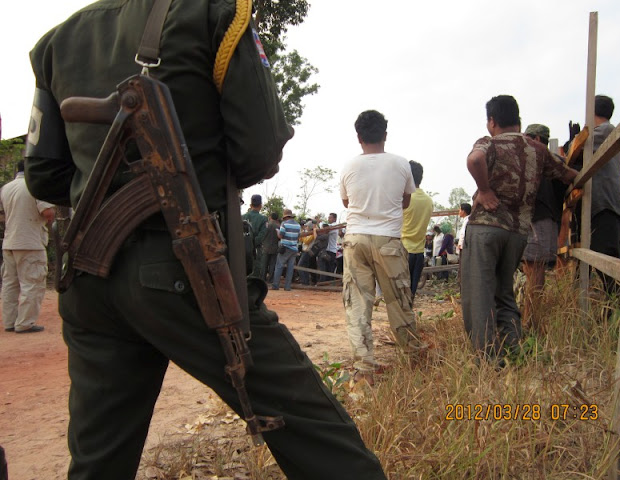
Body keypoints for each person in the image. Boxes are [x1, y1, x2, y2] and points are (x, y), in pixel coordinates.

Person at [24, 3, 387, 479]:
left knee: (97, 463)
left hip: (90, 275)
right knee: (321, 438)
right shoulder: (212, 12)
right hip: (186, 267)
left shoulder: (57, 42)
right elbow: (259, 149)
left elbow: (45, 175)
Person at [462, 95, 577, 362]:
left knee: (479, 294)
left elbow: (475, 160)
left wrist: (485, 190)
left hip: (486, 228)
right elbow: (568, 174)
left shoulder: (488, 143)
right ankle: (514, 348)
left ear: (492, 121)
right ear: (518, 120)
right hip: (518, 233)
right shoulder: (537, 149)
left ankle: (488, 358)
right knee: (504, 292)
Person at [339, 110, 420, 385]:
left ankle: (364, 369)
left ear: (358, 137)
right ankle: (414, 357)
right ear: (385, 134)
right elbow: (405, 201)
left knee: (358, 304)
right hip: (388, 241)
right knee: (398, 301)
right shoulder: (401, 164)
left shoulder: (349, 166)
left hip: (355, 240)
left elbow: (347, 202)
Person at [521, 124, 567, 331]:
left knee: (535, 270)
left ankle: (531, 321)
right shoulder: (550, 161)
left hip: (540, 219)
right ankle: (530, 318)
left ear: (538, 139)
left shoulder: (548, 160)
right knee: (531, 269)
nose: (526, 141)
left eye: (529, 137)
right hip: (537, 220)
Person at [1, 160, 54, 333]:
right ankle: (25, 323)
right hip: (30, 242)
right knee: (32, 283)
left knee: (10, 284)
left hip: (10, 242)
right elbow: (47, 212)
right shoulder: (35, 186)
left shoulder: (6, 188)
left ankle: (9, 322)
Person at [588, 95, 620, 297]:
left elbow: (578, 149)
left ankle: (618, 305)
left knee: (608, 262)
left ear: (591, 111)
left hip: (607, 206)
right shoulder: (606, 131)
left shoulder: (604, 130)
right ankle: (614, 306)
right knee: (608, 259)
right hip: (611, 205)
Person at [401, 160, 433, 299]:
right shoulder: (428, 201)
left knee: (399, 295)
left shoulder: (404, 199)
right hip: (419, 253)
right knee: (411, 294)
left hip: (403, 251)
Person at [272, 209, 301, 291]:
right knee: (290, 268)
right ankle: (287, 286)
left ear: (285, 217)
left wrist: (277, 231)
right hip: (294, 248)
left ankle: (275, 285)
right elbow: (298, 236)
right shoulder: (298, 225)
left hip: (285, 248)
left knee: (279, 266)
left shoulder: (284, 224)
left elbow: (280, 236)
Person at [242, 194, 268, 278]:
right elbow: (261, 236)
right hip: (255, 251)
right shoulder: (263, 219)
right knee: (254, 273)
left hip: (242, 250)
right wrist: (251, 245)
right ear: (260, 206)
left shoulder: (242, 217)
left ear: (250, 205)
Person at [317, 212, 339, 282]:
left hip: (331, 250)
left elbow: (324, 228)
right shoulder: (332, 226)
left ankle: (328, 283)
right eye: (328, 217)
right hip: (328, 250)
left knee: (329, 269)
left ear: (335, 219)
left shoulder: (334, 226)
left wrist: (319, 222)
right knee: (326, 268)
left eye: (330, 218)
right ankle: (325, 282)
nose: (328, 219)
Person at [260, 212, 280, 282]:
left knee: (264, 264)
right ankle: (271, 279)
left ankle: (263, 278)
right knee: (272, 264)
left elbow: (263, 235)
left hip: (265, 247)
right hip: (275, 247)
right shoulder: (278, 226)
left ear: (270, 217)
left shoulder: (267, 225)